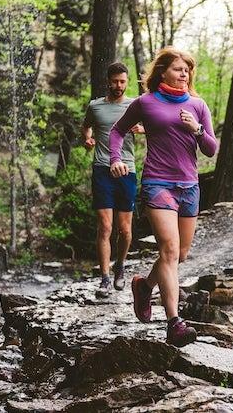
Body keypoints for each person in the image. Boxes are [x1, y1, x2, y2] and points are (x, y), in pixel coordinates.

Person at [109, 46, 217, 347]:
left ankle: (144, 286)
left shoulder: (198, 105)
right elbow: (118, 132)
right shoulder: (146, 102)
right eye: (178, 68)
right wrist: (116, 158)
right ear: (163, 71)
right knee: (169, 249)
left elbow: (211, 148)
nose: (184, 74)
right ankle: (174, 323)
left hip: (189, 185)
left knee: (179, 255)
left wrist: (197, 130)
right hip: (158, 183)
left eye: (187, 70)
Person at [82, 62, 143, 298]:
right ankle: (105, 279)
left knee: (124, 230)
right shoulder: (96, 106)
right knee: (105, 227)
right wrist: (87, 140)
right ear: (108, 81)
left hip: (127, 170)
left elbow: (154, 127)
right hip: (102, 169)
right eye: (115, 81)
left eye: (123, 82)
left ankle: (120, 266)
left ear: (127, 82)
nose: (118, 86)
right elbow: (86, 128)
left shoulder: (134, 106)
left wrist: (142, 130)